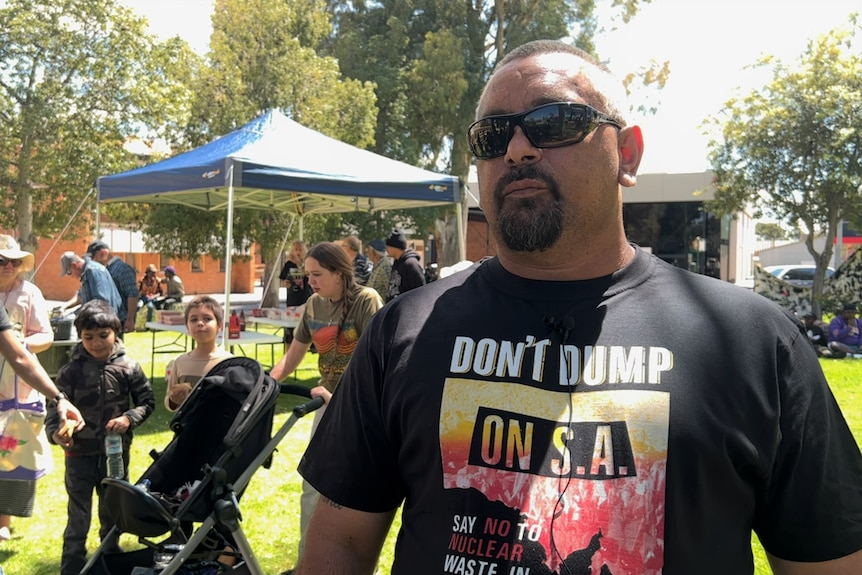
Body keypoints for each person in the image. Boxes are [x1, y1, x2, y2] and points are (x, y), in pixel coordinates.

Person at [295, 40, 862, 575]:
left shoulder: (752, 342)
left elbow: (828, 560)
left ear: (628, 153)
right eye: (492, 136)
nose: (517, 148)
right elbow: (339, 542)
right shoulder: (405, 329)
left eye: (554, 122)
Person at [268, 242, 383, 571]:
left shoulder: (367, 301)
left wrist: (344, 400)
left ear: (338, 272)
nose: (311, 281)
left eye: (317, 274)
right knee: (313, 488)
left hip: (359, 408)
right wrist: (269, 384)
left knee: (355, 489)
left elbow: (376, 362)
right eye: (308, 275)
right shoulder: (313, 305)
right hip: (324, 403)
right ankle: (308, 563)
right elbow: (295, 353)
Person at [45, 300, 154, 575]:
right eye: (88, 337)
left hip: (115, 455)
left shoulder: (129, 367)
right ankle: (72, 566)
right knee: (78, 515)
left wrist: (129, 418)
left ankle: (109, 558)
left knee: (113, 511)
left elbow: (147, 401)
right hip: (79, 456)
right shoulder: (70, 372)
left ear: (115, 333)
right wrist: (55, 434)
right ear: (80, 337)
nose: (96, 343)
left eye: (103, 335)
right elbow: (53, 408)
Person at [0, 235, 55, 541]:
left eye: (14, 261)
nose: (8, 266)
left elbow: (45, 335)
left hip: (18, 386)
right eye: (1, 260)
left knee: (10, 457)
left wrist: (23, 342)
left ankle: (3, 521)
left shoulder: (29, 293)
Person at [164, 295, 233, 412]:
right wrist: (173, 400)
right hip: (188, 427)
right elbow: (169, 400)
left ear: (219, 325)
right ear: (187, 327)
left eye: (207, 319)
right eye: (194, 319)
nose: (200, 323)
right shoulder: (181, 362)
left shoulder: (229, 362)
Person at [60, 251, 124, 333]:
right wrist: (64, 307)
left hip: (106, 323)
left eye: (69, 272)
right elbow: (80, 297)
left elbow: (101, 301)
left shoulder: (93, 271)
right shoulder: (86, 273)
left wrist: (79, 313)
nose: (71, 276)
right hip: (99, 322)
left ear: (74, 265)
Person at [87, 241, 139, 334]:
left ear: (103, 253)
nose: (92, 262)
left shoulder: (122, 269)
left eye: (93, 258)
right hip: (107, 318)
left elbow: (132, 294)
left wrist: (130, 319)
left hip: (118, 318)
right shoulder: (104, 270)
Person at [278, 241, 313, 346]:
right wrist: (285, 283)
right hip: (292, 299)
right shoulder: (289, 264)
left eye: (300, 249)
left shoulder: (308, 262)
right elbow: (282, 278)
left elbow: (307, 274)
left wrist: (299, 263)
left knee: (304, 329)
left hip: (305, 298)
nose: (298, 252)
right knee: (290, 332)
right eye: (295, 249)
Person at [385, 228, 425, 300]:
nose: (386, 249)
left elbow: (420, 292)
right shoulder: (397, 263)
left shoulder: (411, 264)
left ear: (395, 247)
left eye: (388, 246)